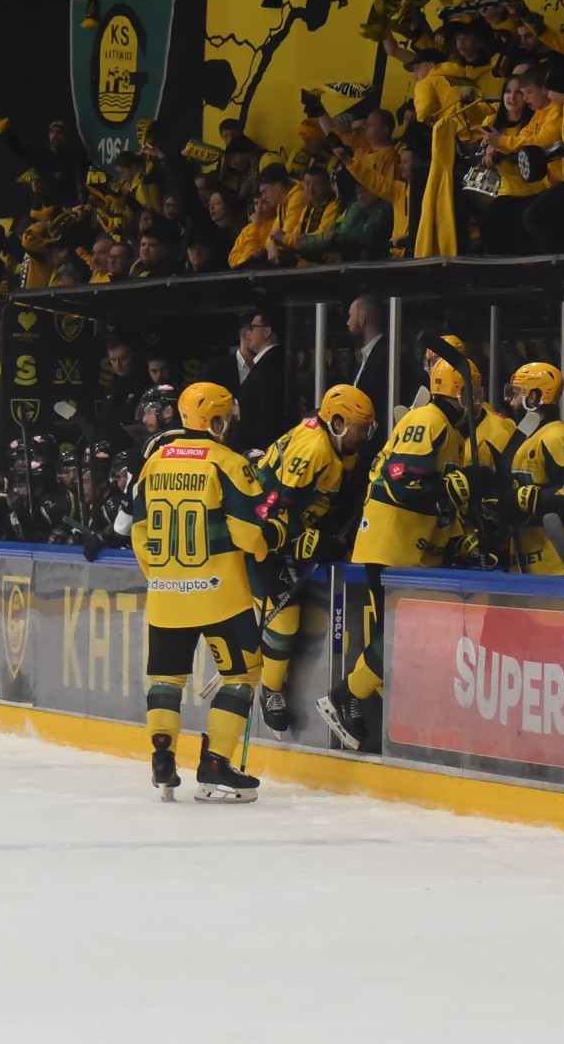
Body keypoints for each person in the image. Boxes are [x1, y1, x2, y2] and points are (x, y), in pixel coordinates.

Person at [130, 382, 287, 801]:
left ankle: (162, 757)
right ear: (215, 421)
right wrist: (272, 540)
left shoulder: (154, 461)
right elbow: (249, 532)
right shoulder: (228, 463)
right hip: (222, 596)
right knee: (242, 674)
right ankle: (215, 762)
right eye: (226, 418)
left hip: (167, 594)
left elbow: (139, 531)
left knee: (166, 678)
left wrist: (162, 576)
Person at [320, 357, 474, 753]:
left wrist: (458, 535)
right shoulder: (428, 420)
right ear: (459, 390)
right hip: (391, 544)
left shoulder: (447, 429)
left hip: (409, 548)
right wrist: (446, 487)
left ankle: (374, 705)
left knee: (405, 637)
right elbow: (403, 480)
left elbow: (437, 498)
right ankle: (346, 694)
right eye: (472, 390)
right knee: (399, 637)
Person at [251, 383, 376, 733]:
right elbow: (271, 509)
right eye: (360, 428)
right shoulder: (312, 448)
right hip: (261, 537)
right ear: (338, 423)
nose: (363, 436)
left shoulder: (338, 448)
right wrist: (299, 541)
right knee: (284, 618)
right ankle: (271, 689)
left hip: (284, 535)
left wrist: (321, 535)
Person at [502, 363, 564, 575]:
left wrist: (533, 499)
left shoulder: (558, 436)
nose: (511, 401)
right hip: (526, 562)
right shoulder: (526, 439)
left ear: (533, 398)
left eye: (516, 394)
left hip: (560, 564)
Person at [223, 309, 294, 454]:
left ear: (267, 332)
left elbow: (269, 415)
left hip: (261, 453)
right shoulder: (268, 363)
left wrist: (265, 455)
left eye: (253, 328)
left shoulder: (271, 364)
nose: (249, 334)